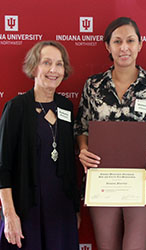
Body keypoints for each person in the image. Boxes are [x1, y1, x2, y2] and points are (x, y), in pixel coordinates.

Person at [74, 17, 146, 250]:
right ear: (108, 46)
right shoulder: (93, 85)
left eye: (130, 40)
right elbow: (81, 128)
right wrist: (84, 149)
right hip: (102, 180)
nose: (124, 47)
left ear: (140, 44)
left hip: (144, 181)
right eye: (117, 41)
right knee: (106, 246)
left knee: (135, 247)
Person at [0, 41, 80, 250]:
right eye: (46, 62)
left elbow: (70, 164)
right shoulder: (16, 108)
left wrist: (74, 210)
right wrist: (9, 215)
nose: (54, 70)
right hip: (27, 209)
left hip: (61, 210)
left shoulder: (66, 107)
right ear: (34, 67)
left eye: (59, 64)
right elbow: (3, 167)